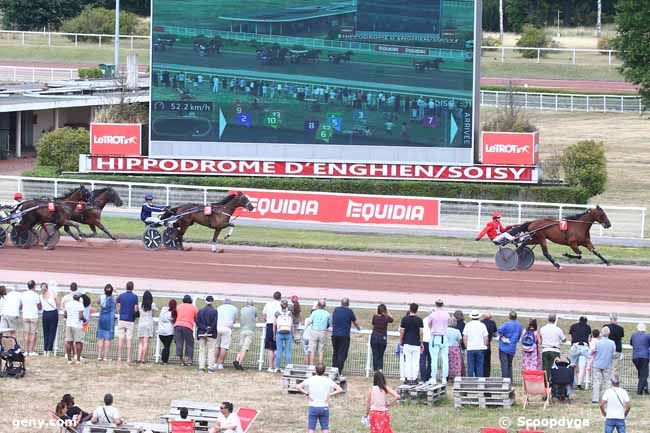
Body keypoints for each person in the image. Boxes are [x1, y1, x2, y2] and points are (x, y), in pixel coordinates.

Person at [296, 363, 344, 433]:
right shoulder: (328, 380)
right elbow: (340, 389)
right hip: (324, 407)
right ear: (324, 371)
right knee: (325, 428)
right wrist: (330, 394)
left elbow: (298, 386)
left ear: (315, 370)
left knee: (311, 429)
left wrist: (307, 394)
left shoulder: (311, 379)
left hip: (313, 406)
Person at [330, 298, 360, 376]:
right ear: (348, 304)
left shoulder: (336, 310)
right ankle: (338, 372)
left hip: (334, 335)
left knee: (335, 353)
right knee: (342, 354)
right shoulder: (349, 311)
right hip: (344, 336)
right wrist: (358, 328)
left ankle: (334, 369)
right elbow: (355, 322)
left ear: (341, 303)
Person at [399, 303, 423, 385]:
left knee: (407, 361)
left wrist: (401, 340)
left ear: (410, 309)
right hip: (416, 343)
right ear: (417, 309)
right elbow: (421, 332)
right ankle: (415, 378)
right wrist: (421, 342)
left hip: (407, 342)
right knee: (416, 362)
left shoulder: (404, 319)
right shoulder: (419, 320)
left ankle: (408, 378)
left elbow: (402, 331)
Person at [427, 299, 449, 384]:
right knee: (445, 359)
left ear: (436, 304)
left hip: (435, 336)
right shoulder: (446, 314)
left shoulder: (432, 315)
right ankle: (444, 378)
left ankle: (433, 378)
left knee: (434, 359)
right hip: (444, 336)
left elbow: (429, 325)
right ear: (442, 304)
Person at [116, 281, 139, 364]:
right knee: (129, 339)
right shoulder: (135, 297)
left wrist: (120, 312)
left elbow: (118, 307)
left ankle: (119, 357)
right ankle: (128, 358)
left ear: (126, 287)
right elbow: (136, 308)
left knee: (120, 338)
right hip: (130, 320)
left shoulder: (121, 296)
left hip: (122, 318)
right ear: (132, 288)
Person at [592, 326, 616, 404]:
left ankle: (595, 399)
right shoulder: (612, 343)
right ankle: (608, 398)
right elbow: (614, 353)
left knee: (596, 381)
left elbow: (592, 352)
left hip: (597, 364)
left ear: (601, 333)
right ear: (609, 333)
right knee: (607, 381)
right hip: (607, 364)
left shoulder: (597, 342)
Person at [540, 313, 566, 381]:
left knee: (545, 369)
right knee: (555, 369)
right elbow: (564, 339)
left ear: (548, 319)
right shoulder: (558, 329)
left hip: (545, 350)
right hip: (555, 351)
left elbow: (541, 338)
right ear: (555, 320)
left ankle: (546, 384)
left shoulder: (543, 329)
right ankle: (553, 384)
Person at [498, 311, 523, 380]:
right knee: (509, 365)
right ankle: (510, 381)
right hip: (512, 348)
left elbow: (499, 331)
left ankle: (505, 381)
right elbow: (519, 336)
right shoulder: (519, 325)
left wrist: (502, 336)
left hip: (503, 348)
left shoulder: (506, 324)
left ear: (509, 317)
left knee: (504, 366)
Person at [463, 310, 488, 378]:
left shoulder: (468, 325)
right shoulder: (482, 325)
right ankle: (479, 381)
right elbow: (486, 338)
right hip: (480, 348)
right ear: (479, 317)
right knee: (480, 366)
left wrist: (467, 346)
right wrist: (485, 345)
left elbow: (465, 337)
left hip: (470, 348)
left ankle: (470, 381)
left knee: (470, 366)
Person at [569, 316, 592, 389]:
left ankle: (572, 382)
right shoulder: (588, 327)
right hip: (584, 347)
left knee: (572, 366)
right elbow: (589, 338)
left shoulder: (573, 326)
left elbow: (571, 338)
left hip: (575, 346)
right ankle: (579, 384)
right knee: (582, 367)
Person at [175, 295, 198, 366]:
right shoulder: (194, 308)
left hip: (178, 325)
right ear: (190, 300)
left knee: (179, 343)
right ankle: (189, 360)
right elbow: (196, 319)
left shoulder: (178, 306)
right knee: (190, 343)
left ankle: (181, 360)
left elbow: (175, 315)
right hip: (188, 326)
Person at [197, 295, 218, 372]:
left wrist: (204, 328)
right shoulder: (214, 311)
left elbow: (198, 322)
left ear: (205, 301)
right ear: (212, 301)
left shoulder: (200, 310)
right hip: (211, 334)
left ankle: (201, 367)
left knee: (202, 350)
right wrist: (209, 329)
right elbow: (214, 323)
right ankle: (210, 367)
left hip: (201, 333)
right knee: (211, 350)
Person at [234, 299, 257, 370]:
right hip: (250, 330)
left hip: (242, 330)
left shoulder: (242, 309)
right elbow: (256, 318)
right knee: (245, 348)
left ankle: (237, 360)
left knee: (242, 348)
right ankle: (240, 363)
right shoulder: (254, 309)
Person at [215, 298, 238, 370]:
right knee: (224, 347)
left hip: (217, 327)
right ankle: (220, 364)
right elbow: (234, 320)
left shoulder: (219, 307)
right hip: (227, 329)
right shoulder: (234, 308)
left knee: (216, 346)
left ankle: (214, 363)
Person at [370, 304, 394, 372]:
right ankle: (380, 370)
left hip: (374, 337)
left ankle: (375, 370)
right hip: (382, 338)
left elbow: (373, 323)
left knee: (375, 354)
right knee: (381, 355)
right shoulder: (386, 318)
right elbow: (392, 319)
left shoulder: (375, 317)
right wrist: (387, 312)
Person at [262, 291, 282, 372]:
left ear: (273, 297)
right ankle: (276, 366)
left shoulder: (268, 304)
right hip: (279, 326)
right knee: (277, 347)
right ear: (280, 298)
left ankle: (270, 367)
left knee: (270, 348)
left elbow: (264, 317)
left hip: (270, 325)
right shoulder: (282, 305)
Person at [21, 280, 42, 356]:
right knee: (33, 333)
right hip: (33, 316)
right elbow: (39, 307)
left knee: (26, 333)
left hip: (25, 315)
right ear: (34, 286)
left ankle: (26, 351)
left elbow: (21, 305)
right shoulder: (36, 295)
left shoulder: (23, 294)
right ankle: (31, 351)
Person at [96, 284, 116, 361]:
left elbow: (98, 302)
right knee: (107, 338)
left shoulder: (101, 297)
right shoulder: (113, 299)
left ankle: (99, 356)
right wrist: (115, 291)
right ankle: (105, 357)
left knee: (101, 337)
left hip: (102, 318)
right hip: (109, 320)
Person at [64, 292, 85, 364]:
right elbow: (81, 316)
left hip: (69, 324)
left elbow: (65, 315)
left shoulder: (68, 304)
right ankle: (78, 359)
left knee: (69, 342)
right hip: (77, 325)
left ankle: (69, 360)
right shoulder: (80, 305)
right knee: (78, 342)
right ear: (79, 298)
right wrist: (85, 319)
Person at [137, 290, 157, 364]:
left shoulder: (140, 304)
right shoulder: (152, 304)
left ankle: (139, 358)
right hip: (148, 324)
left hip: (141, 323)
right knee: (145, 342)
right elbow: (154, 312)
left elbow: (138, 311)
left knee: (140, 343)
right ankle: (143, 359)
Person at [309, 299, 330, 366]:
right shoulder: (327, 314)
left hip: (314, 331)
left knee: (312, 350)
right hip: (322, 332)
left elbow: (310, 321)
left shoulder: (314, 312)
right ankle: (320, 366)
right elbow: (328, 324)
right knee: (321, 351)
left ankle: (311, 366)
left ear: (318, 305)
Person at [630, 323, 649, 395]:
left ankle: (645, 388)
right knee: (644, 374)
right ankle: (639, 391)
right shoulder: (647, 335)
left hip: (635, 357)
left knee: (641, 373)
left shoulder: (634, 335)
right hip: (644, 357)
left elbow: (631, 343)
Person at [274, 299, 293, 371]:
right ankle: (288, 367)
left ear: (281, 305)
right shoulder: (290, 313)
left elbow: (274, 324)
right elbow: (292, 325)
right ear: (287, 305)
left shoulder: (277, 313)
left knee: (279, 351)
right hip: (288, 333)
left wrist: (274, 334)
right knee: (288, 351)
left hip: (279, 332)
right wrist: (293, 334)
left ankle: (277, 367)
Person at [40, 282, 59, 356]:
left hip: (45, 314)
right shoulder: (52, 293)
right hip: (53, 313)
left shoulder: (40, 296)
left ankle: (45, 349)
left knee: (46, 332)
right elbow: (57, 302)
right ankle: (49, 350)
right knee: (52, 332)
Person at [605, 313, 625, 382]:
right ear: (617, 319)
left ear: (610, 319)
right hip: (617, 350)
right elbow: (621, 339)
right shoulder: (620, 328)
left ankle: (607, 381)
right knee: (615, 368)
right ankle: (613, 381)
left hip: (607, 349)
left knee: (607, 367)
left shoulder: (605, 327)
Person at [158, 299, 176, 364]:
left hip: (161, 332)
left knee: (165, 346)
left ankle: (163, 359)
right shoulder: (172, 313)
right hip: (169, 332)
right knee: (167, 346)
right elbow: (174, 320)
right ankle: (165, 360)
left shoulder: (163, 310)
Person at [447, 317, 463, 381]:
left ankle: (448, 375)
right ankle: (456, 376)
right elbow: (460, 340)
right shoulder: (457, 331)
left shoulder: (445, 330)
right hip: (455, 348)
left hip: (447, 348)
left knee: (448, 362)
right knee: (456, 362)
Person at [481, 313, 498, 377]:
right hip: (488, 344)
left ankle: (480, 375)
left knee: (481, 362)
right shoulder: (492, 323)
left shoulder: (481, 323)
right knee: (487, 362)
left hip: (481, 344)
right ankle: (487, 376)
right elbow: (495, 334)